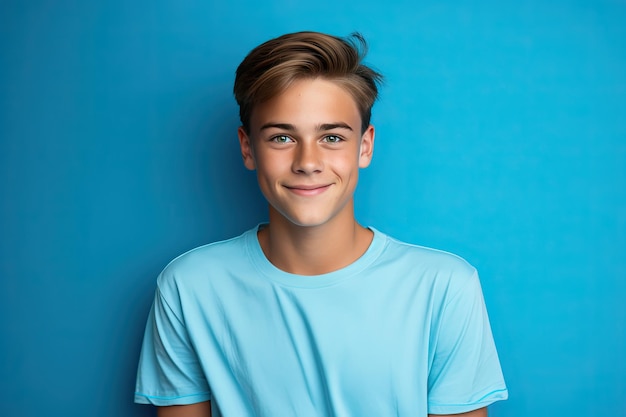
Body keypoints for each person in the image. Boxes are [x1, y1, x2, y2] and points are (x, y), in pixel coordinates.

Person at [134, 31, 508, 417]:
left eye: (331, 137)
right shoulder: (189, 287)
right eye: (281, 137)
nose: (307, 162)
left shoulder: (444, 287)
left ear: (364, 146)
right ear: (248, 148)